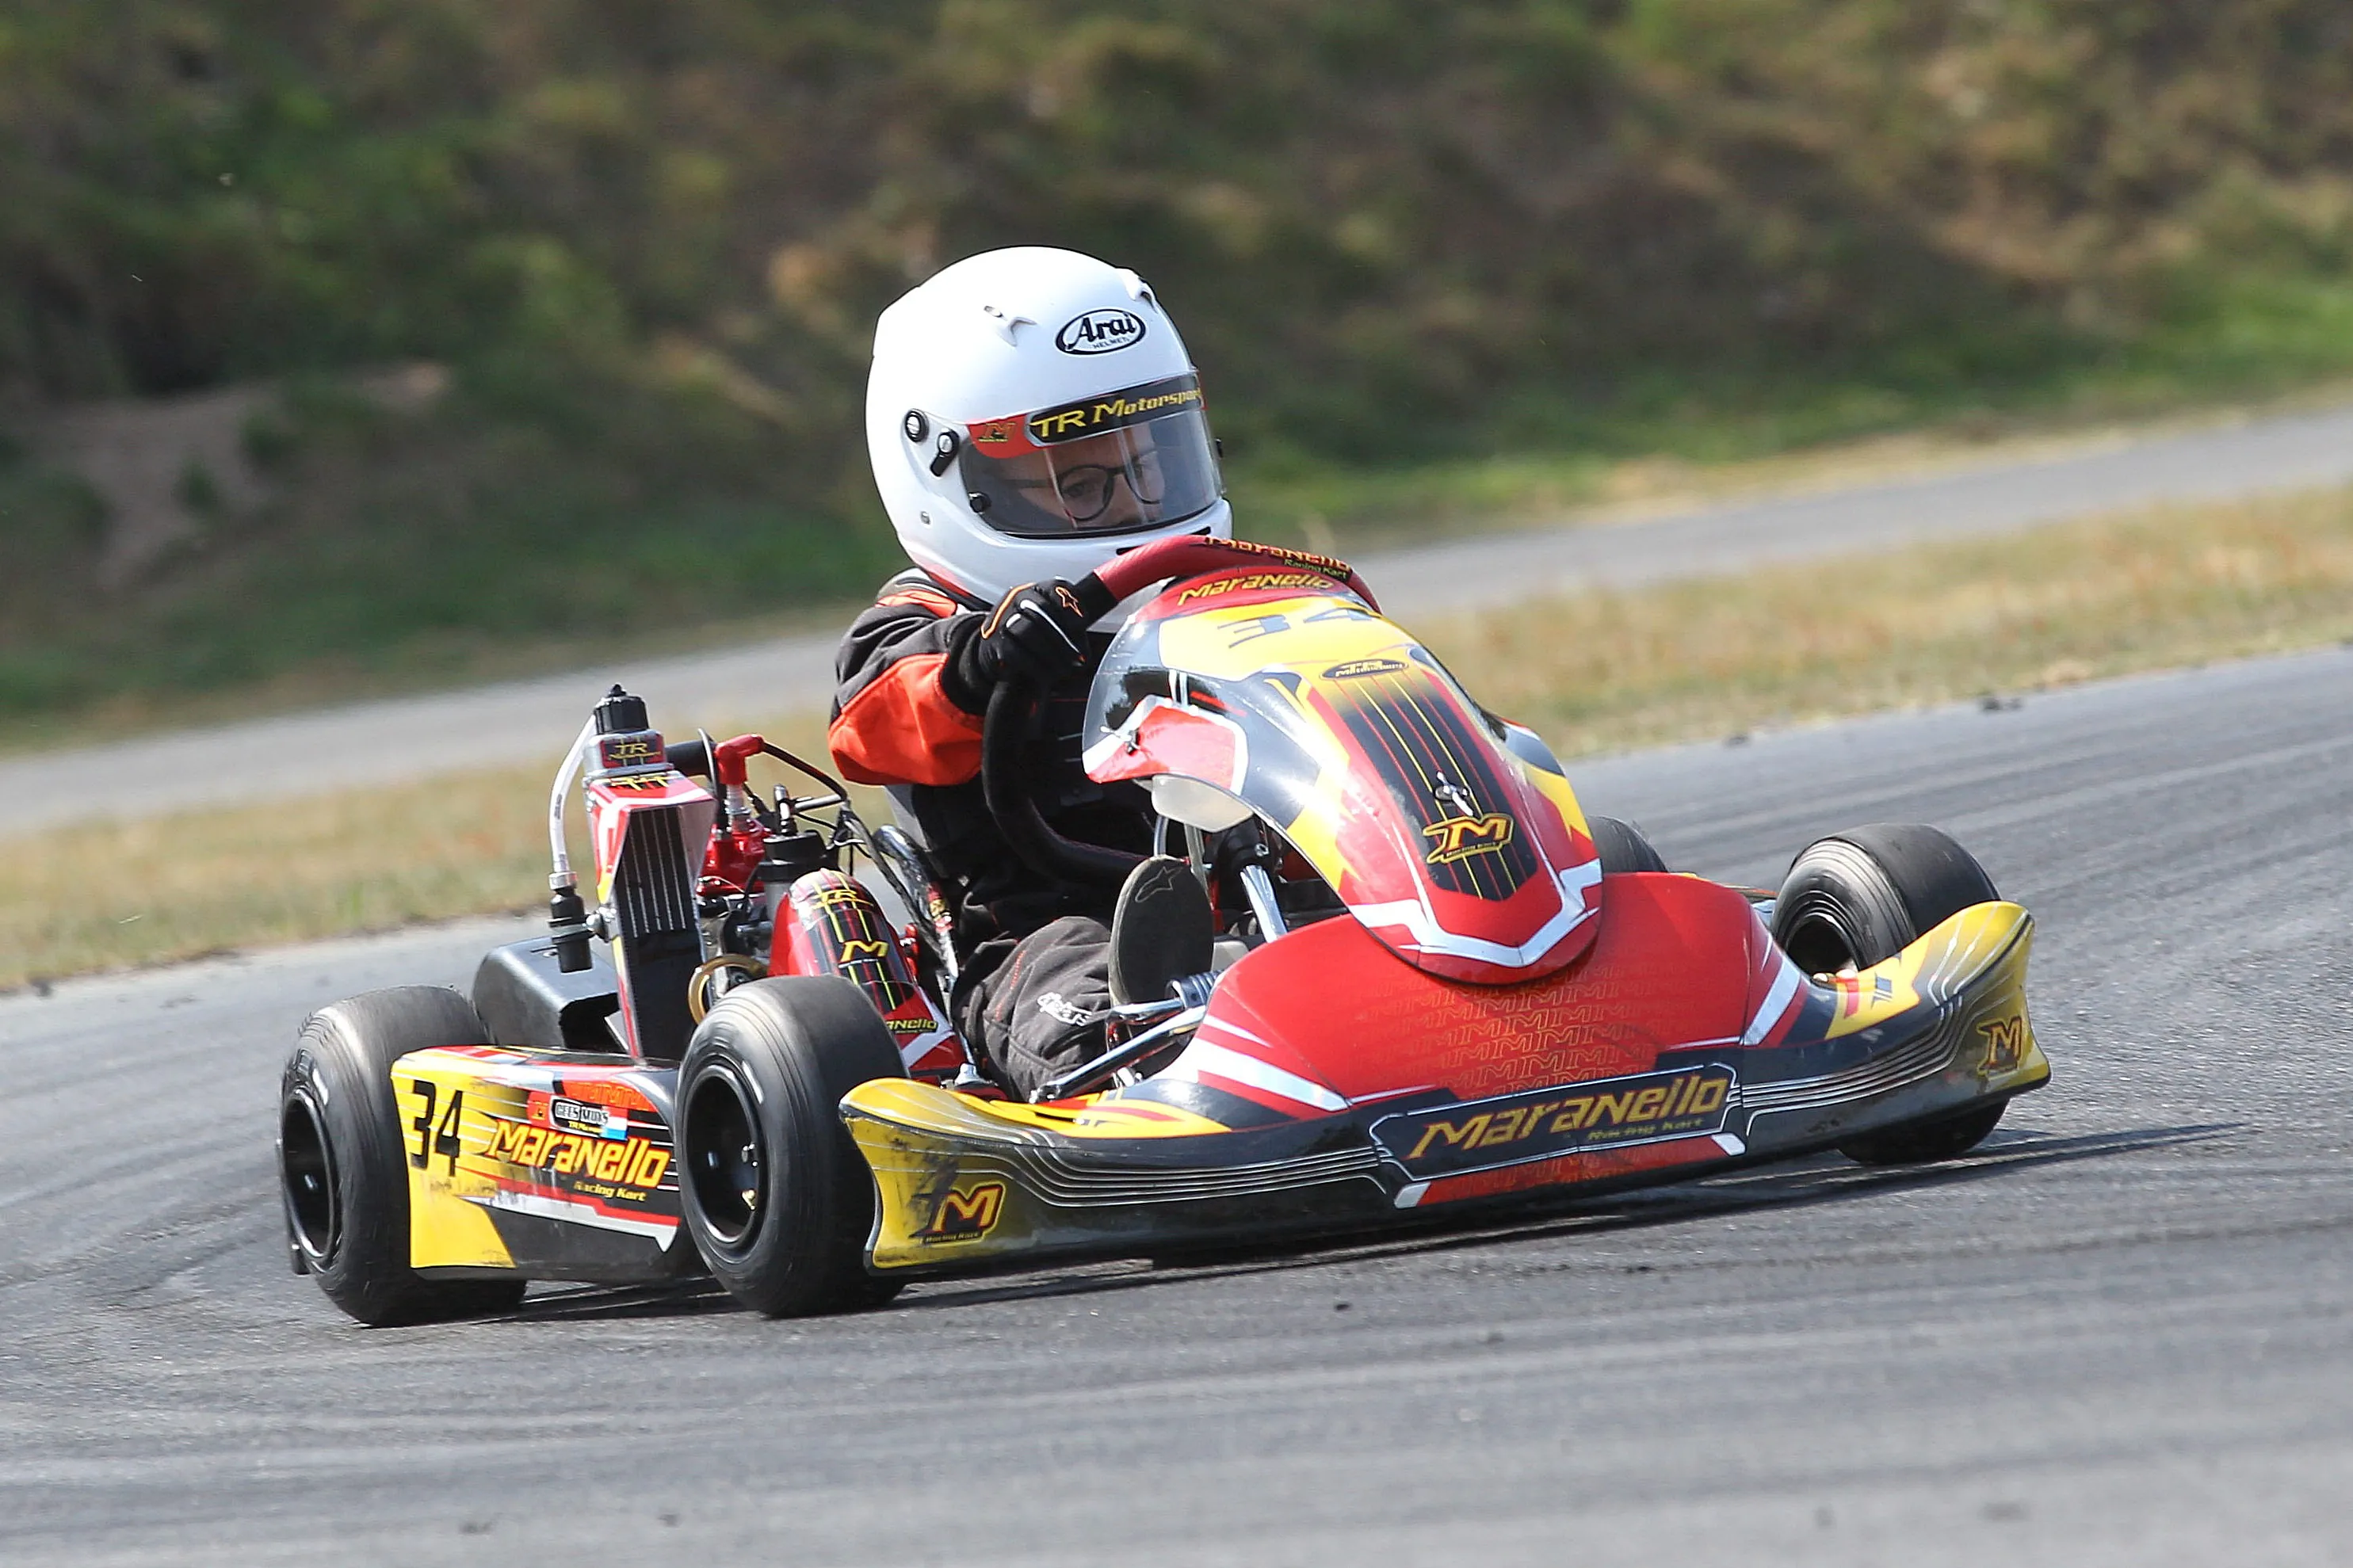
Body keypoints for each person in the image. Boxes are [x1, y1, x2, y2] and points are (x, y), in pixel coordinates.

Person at [827, 246, 1236, 1099]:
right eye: (1079, 480)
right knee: (1088, 986)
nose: (1127, 503)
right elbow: (875, 725)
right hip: (1042, 930)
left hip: (1241, 886)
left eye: (1147, 461)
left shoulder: (1210, 589)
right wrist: (981, 660)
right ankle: (1151, 1085)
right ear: (950, 477)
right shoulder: (916, 629)